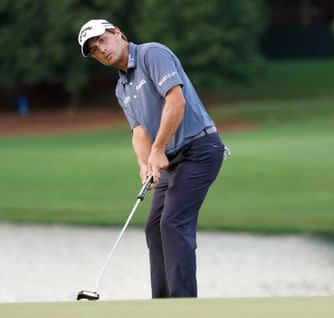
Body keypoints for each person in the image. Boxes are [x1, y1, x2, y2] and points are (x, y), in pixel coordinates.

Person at [78, 19, 228, 298]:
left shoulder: (151, 54)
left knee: (173, 222)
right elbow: (138, 132)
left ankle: (182, 304)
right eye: (94, 50)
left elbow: (176, 101)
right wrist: (145, 163)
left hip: (200, 149)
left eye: (102, 40)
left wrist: (158, 150)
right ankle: (160, 304)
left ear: (118, 33)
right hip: (171, 159)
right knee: (154, 226)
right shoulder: (121, 88)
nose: (100, 49)